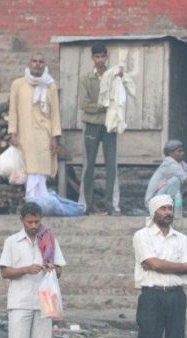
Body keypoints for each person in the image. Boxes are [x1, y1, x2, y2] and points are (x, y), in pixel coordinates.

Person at [0, 201, 66, 338]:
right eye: (30, 222)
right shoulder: (12, 241)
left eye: (37, 221)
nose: (34, 225)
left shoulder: (49, 239)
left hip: (44, 300)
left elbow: (61, 270)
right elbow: (5, 272)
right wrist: (26, 269)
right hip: (19, 300)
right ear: (22, 220)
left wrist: (51, 267)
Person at [132, 194, 187, 338]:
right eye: (163, 209)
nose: (168, 212)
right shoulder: (142, 235)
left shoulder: (181, 238)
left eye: (170, 208)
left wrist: (162, 265)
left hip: (176, 295)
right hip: (152, 295)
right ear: (154, 212)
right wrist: (179, 268)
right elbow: (152, 264)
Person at [79, 42, 125, 215]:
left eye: (102, 56)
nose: (100, 60)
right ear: (92, 58)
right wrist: (104, 105)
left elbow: (120, 98)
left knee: (111, 165)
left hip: (109, 125)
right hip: (91, 125)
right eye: (96, 56)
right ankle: (86, 204)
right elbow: (84, 104)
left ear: (107, 56)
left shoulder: (113, 76)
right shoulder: (86, 78)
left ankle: (111, 204)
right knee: (89, 165)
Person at [8, 54, 61, 202]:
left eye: (41, 61)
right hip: (25, 134)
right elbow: (13, 110)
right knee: (29, 169)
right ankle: (31, 202)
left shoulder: (50, 85)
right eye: (34, 61)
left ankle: (41, 203)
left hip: (44, 133)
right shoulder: (18, 84)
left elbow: (55, 112)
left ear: (44, 65)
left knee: (42, 169)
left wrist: (55, 137)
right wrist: (12, 132)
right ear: (29, 63)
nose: (37, 64)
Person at [144, 139, 187, 208]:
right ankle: (171, 209)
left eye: (182, 151)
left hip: (161, 197)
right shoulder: (169, 163)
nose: (183, 153)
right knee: (175, 180)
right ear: (170, 153)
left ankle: (178, 208)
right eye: (179, 151)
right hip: (153, 202)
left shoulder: (181, 163)